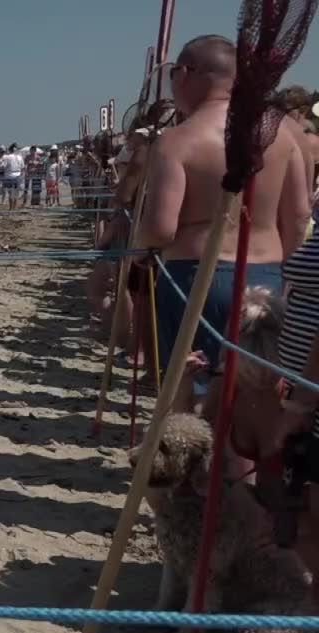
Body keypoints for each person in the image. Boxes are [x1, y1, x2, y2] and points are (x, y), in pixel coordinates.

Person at [142, 35, 310, 405]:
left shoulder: (177, 141)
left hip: (195, 277)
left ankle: (190, 460)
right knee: (255, 395)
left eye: (173, 75)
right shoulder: (283, 136)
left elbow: (160, 228)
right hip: (267, 277)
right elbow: (298, 219)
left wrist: (138, 247)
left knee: (187, 389)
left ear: (186, 74)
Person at [0, 143, 25, 211]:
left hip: (9, 176)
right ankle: (14, 208)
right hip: (18, 176)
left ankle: (11, 208)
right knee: (16, 193)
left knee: (11, 193)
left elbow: (2, 166)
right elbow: (23, 168)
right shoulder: (20, 157)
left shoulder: (7, 157)